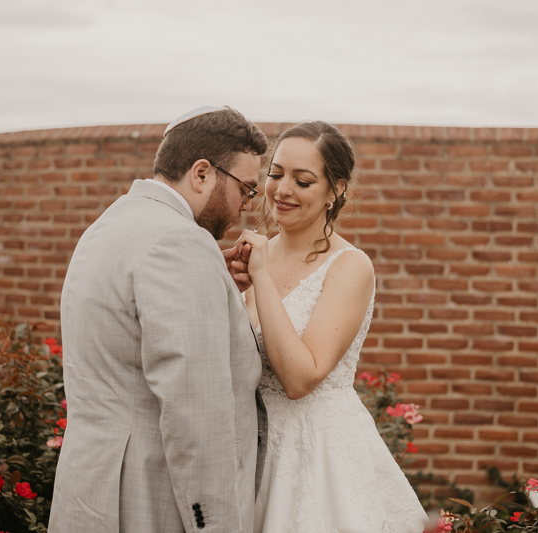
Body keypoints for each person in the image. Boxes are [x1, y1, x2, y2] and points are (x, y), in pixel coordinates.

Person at [48, 106, 269, 533]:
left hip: (90, 492)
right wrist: (217, 525)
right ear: (202, 173)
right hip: (148, 503)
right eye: (246, 188)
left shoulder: (110, 223)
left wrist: (213, 289)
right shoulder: (180, 243)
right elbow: (197, 411)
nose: (246, 206)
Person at [231, 121, 429, 533]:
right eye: (276, 174)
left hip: (318, 457)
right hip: (249, 452)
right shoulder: (252, 258)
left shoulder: (350, 267)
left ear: (335, 190)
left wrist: (262, 279)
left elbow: (301, 378)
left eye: (302, 181)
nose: (282, 190)